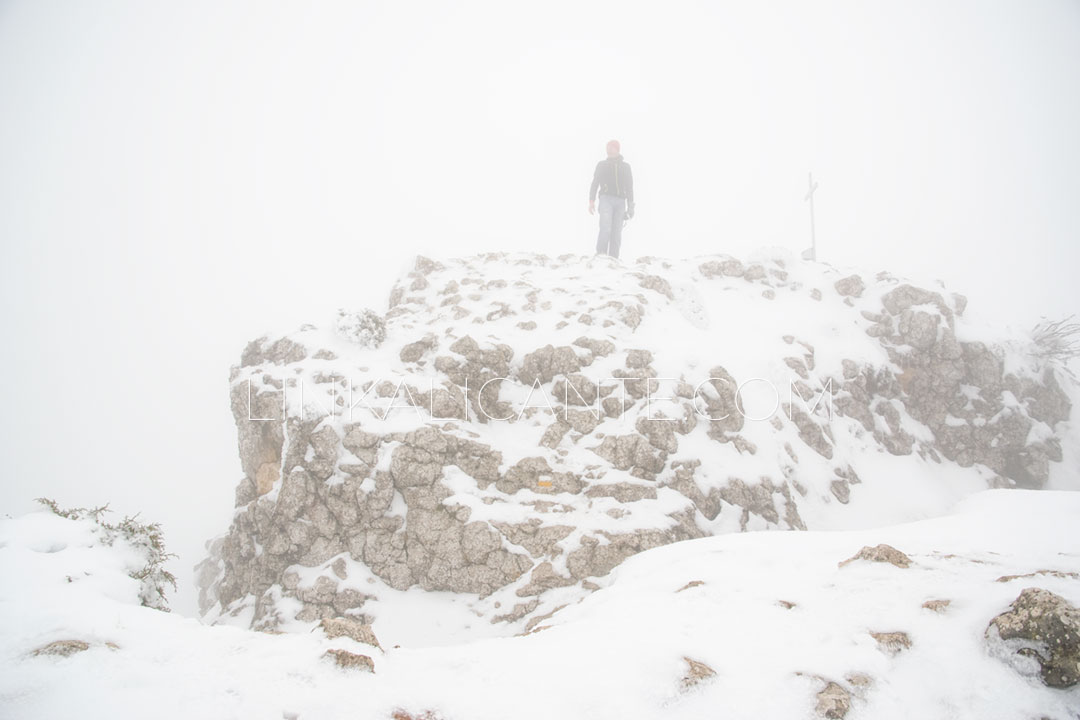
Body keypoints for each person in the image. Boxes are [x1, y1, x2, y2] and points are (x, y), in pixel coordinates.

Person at [589, 139, 635, 258]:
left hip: (621, 202)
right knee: (605, 227)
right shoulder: (602, 165)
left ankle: (613, 260)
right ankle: (601, 256)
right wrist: (591, 200)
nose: (608, 149)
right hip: (606, 199)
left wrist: (631, 206)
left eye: (611, 147)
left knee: (616, 233)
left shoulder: (626, 167)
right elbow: (595, 183)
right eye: (607, 147)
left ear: (617, 149)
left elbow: (629, 187)